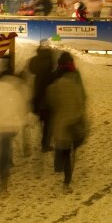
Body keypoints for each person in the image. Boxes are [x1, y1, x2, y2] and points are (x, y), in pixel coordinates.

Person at [46, 51, 88, 189]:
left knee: (61, 147)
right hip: (73, 120)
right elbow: (82, 98)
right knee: (69, 150)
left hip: (60, 120)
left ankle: (59, 166)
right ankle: (67, 178)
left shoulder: (56, 81)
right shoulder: (75, 79)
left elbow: (51, 100)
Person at [0, 69, 29, 193]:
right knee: (6, 148)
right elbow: (21, 107)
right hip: (11, 125)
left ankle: (3, 180)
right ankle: (4, 178)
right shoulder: (15, 89)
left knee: (3, 152)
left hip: (1, 125)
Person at [28, 42, 58, 152]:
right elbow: (52, 74)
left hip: (37, 90)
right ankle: (45, 144)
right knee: (48, 122)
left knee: (42, 119)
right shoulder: (49, 59)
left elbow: (31, 69)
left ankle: (40, 142)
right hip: (46, 94)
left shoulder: (35, 60)